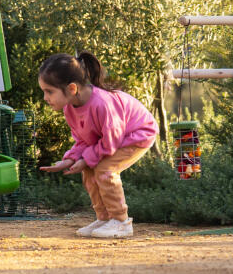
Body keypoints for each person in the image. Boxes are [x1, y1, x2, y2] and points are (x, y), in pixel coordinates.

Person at [37, 52, 157, 238]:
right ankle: (105, 218)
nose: (45, 97)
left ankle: (120, 221)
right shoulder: (70, 108)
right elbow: (84, 140)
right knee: (90, 170)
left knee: (104, 169)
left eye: (49, 91)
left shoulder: (102, 104)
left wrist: (86, 159)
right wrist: (70, 159)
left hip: (138, 134)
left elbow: (110, 143)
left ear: (71, 88)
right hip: (115, 140)